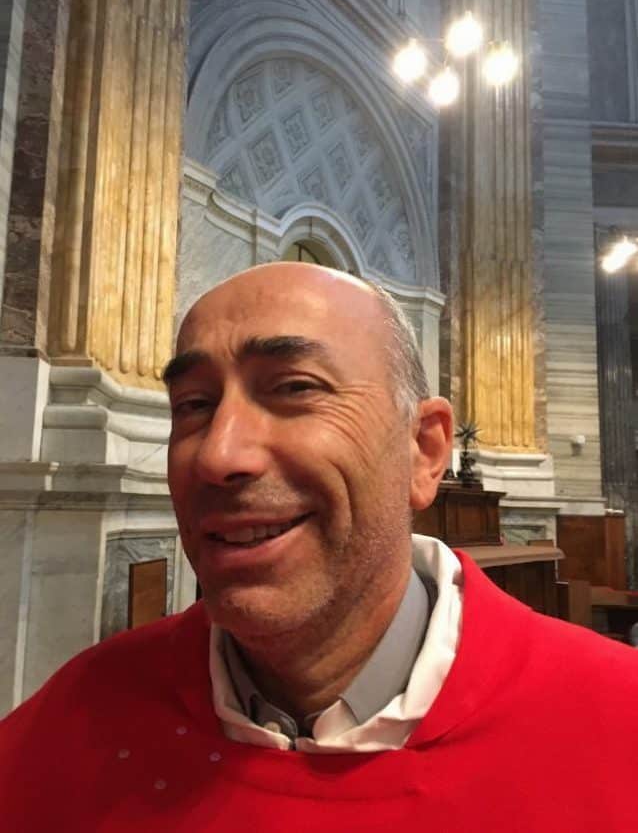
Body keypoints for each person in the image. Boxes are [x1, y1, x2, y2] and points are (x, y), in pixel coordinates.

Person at [0, 261, 637, 832]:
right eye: (193, 404)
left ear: (423, 451)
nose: (218, 454)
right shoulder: (79, 715)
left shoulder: (614, 722)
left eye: (295, 388)